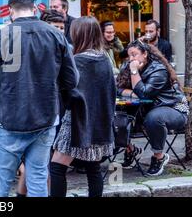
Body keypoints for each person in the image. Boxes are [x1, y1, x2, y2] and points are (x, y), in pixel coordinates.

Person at [0, 0, 78, 197]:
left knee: (1, 181)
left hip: (10, 117)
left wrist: (1, 94)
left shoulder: (2, 36)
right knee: (38, 178)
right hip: (46, 116)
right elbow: (72, 79)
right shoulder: (55, 35)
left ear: (10, 12)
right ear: (34, 9)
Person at [49, 16, 116, 197]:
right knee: (93, 168)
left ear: (80, 35)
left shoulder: (77, 61)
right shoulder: (105, 60)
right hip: (99, 122)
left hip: (77, 121)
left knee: (56, 167)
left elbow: (68, 92)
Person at [116, 40, 188, 176]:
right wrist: (131, 93)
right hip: (145, 109)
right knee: (117, 117)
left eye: (135, 54)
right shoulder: (127, 66)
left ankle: (159, 157)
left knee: (154, 118)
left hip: (174, 109)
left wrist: (134, 71)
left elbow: (144, 94)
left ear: (145, 54)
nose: (131, 59)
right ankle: (131, 150)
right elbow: (116, 87)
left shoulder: (159, 70)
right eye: (129, 55)